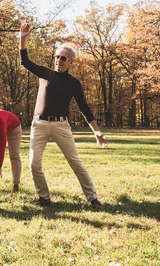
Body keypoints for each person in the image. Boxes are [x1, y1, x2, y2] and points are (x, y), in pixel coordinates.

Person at [19, 22, 107, 210]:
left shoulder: (73, 83)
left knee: (75, 163)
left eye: (63, 58)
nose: (59, 60)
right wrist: (23, 39)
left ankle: (93, 198)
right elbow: (25, 61)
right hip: (39, 125)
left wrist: (97, 132)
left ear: (71, 62)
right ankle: (44, 197)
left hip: (61, 126)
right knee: (34, 164)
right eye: (57, 57)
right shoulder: (45, 73)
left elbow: (84, 107)